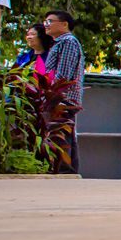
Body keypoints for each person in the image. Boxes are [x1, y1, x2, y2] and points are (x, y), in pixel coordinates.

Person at [41, 10, 85, 174]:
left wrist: (55, 95)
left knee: (61, 133)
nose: (46, 25)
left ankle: (64, 170)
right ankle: (68, 171)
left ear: (64, 24)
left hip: (63, 97)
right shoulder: (60, 43)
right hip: (62, 97)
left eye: (49, 21)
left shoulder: (67, 42)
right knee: (67, 134)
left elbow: (63, 75)